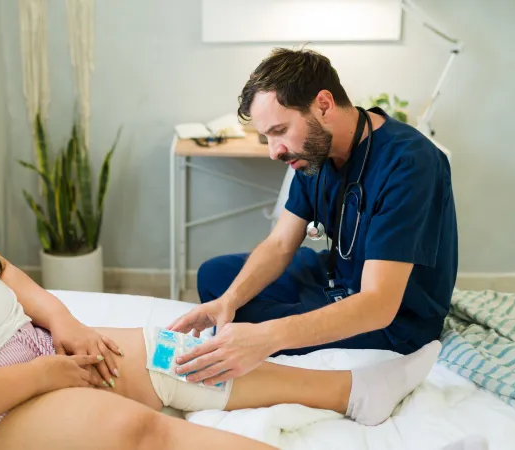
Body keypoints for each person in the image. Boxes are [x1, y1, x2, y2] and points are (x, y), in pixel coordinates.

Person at [0, 59, 441, 450]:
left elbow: (3, 270)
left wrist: (63, 324)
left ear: (324, 105)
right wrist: (51, 371)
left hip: (27, 350)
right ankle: (341, 386)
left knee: (179, 357)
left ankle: (353, 390)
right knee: (141, 422)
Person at [169, 47, 457, 386]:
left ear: (324, 104)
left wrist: (267, 337)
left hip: (393, 321)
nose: (274, 151)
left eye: (279, 131)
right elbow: (279, 244)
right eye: (266, 137)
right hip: (335, 278)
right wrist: (227, 302)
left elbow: (379, 304)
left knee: (251, 327)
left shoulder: (409, 163)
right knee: (216, 279)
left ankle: (259, 332)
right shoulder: (313, 156)